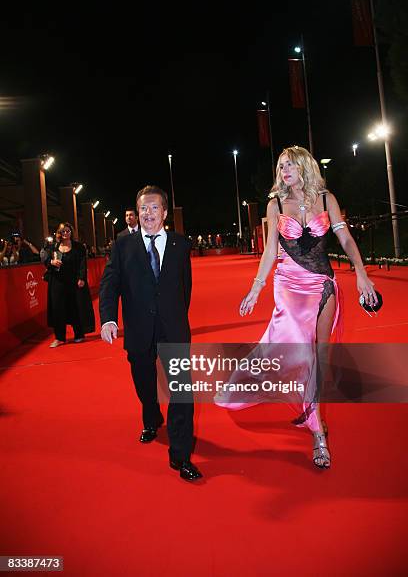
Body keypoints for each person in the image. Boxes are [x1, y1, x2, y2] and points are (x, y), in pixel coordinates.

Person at [219, 146, 377, 469]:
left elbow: (345, 240)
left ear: (304, 165)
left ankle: (311, 411)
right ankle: (319, 433)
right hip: (288, 285)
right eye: (280, 166)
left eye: (289, 164)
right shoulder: (275, 205)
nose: (284, 170)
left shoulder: (326, 199)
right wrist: (256, 287)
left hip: (324, 284)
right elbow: (269, 251)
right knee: (299, 353)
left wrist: (360, 273)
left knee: (318, 356)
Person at [99, 185, 202, 481]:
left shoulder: (181, 246)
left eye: (154, 208)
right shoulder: (123, 246)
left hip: (173, 329)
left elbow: (186, 289)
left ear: (165, 213)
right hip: (139, 330)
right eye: (143, 208)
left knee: (182, 393)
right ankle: (151, 415)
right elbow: (109, 285)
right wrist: (108, 319)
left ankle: (181, 455)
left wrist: (175, 318)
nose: (148, 213)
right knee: (146, 387)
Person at [44, 222, 95, 348]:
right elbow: (44, 259)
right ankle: (59, 338)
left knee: (75, 307)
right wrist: (51, 262)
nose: (65, 233)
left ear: (71, 232)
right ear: (59, 233)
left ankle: (79, 334)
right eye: (63, 231)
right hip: (57, 282)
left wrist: (82, 278)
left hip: (74, 282)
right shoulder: (53, 247)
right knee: (57, 309)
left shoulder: (78, 247)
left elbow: (83, 263)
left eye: (68, 231)